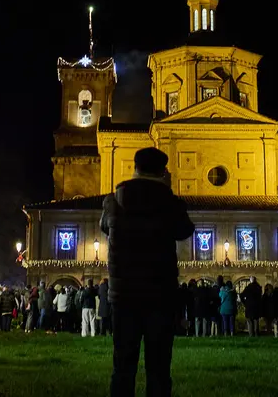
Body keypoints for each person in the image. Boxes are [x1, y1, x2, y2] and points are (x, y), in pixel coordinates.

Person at [100, 147, 195, 397]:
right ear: (162, 171)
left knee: (122, 366)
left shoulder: (114, 200)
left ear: (135, 167)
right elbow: (185, 230)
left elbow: (104, 227)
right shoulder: (169, 202)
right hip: (160, 295)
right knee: (159, 368)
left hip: (123, 295)